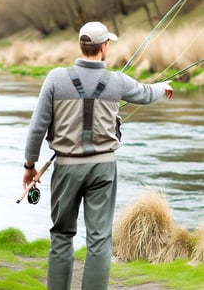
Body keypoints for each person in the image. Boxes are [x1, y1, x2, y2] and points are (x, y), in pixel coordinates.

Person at [22, 21, 173, 290]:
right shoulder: (117, 81)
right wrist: (164, 87)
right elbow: (147, 93)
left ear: (81, 45)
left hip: (66, 168)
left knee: (61, 235)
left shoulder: (56, 78)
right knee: (100, 239)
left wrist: (29, 164)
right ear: (104, 47)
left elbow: (37, 126)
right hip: (103, 168)